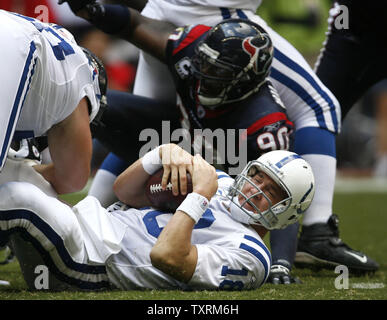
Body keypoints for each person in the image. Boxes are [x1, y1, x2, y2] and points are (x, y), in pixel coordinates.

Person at [58, 0, 348, 283]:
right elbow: (136, 25)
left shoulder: (265, 123)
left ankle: (318, 230)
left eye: (218, 73)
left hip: (225, 169)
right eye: (204, 66)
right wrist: (94, 9)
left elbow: (284, 195)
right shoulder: (190, 48)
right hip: (181, 143)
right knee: (102, 107)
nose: (205, 77)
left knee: (320, 108)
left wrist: (281, 262)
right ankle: (88, 208)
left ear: (246, 81)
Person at [0, 143, 315, 291]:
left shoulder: (251, 257)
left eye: (273, 191)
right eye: (259, 176)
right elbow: (125, 193)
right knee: (14, 173)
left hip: (88, 263)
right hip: (88, 223)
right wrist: (160, 154)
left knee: (20, 196)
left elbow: (165, 256)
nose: (256, 188)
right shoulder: (223, 182)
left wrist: (199, 195)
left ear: (287, 213)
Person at [293, 0, 385, 274]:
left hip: (355, 29)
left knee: (313, 108)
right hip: (355, 31)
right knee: (313, 110)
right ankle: (314, 232)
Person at [0, 9, 107, 195]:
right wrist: (20, 170)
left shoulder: (59, 43)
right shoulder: (84, 87)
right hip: (17, 48)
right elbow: (72, 180)